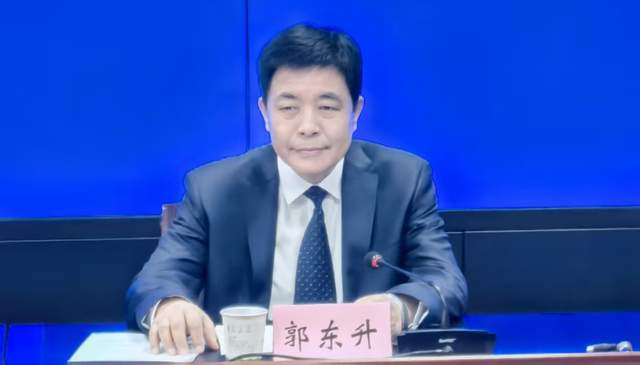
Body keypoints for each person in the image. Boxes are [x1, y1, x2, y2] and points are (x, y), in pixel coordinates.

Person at [126, 23, 468, 355]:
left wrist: (399, 306)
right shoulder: (214, 189)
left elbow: (443, 280)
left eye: (327, 108)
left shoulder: (403, 180)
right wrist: (169, 306)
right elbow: (157, 279)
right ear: (265, 113)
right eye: (288, 108)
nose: (308, 127)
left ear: (356, 112)